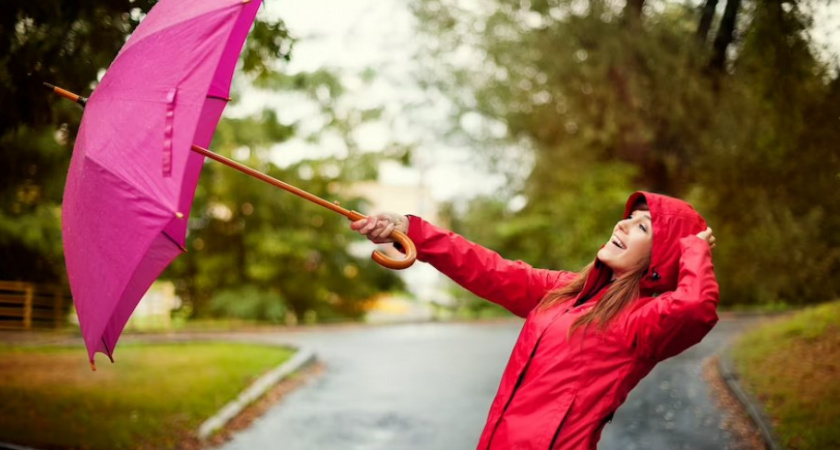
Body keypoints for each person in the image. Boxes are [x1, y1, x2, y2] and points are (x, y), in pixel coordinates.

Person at [350, 191, 719, 450]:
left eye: (642, 227)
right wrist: (412, 230)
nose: (623, 225)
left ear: (664, 256)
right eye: (628, 218)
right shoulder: (565, 291)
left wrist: (694, 249)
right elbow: (489, 268)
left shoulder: (643, 321)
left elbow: (695, 308)